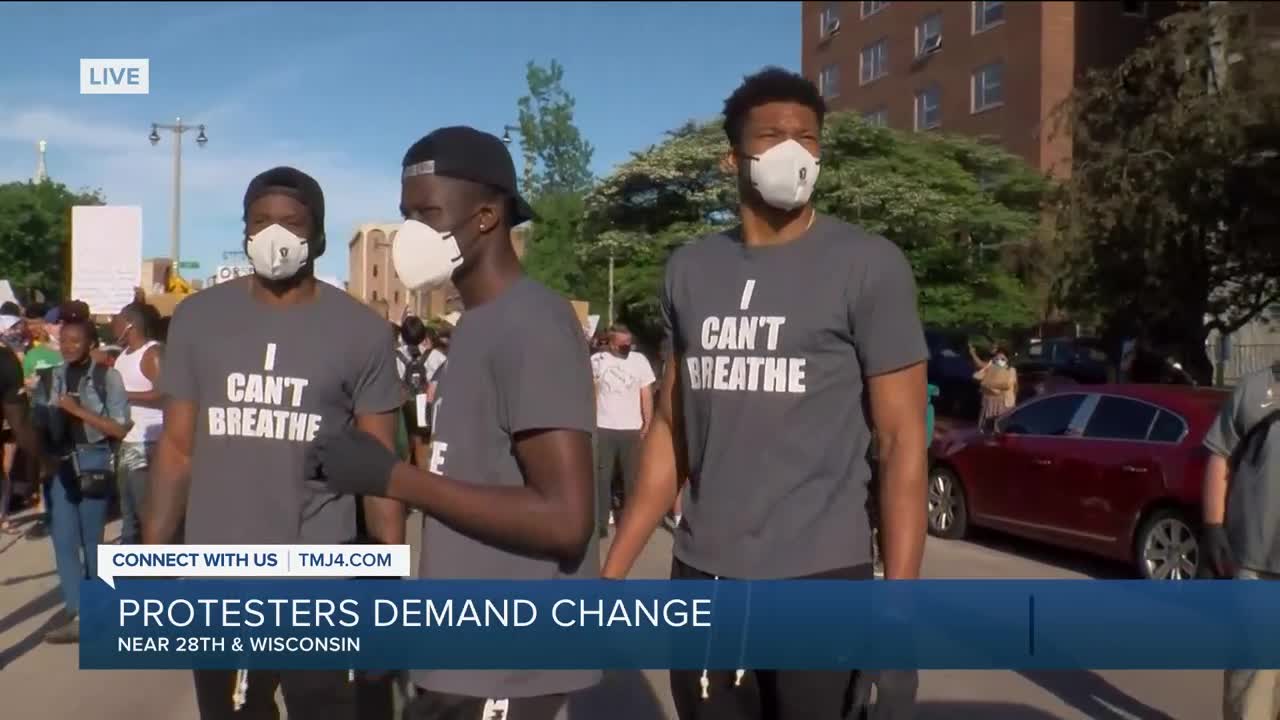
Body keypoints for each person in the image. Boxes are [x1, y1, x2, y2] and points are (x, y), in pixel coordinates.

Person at [600, 67, 929, 720]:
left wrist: (898, 613)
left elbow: (901, 441)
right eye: (773, 136)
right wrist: (611, 574)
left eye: (808, 138)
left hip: (822, 584)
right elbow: (672, 428)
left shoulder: (869, 265)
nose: (792, 151)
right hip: (705, 579)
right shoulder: (689, 269)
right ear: (733, 158)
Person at [309, 126, 599, 720]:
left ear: (488, 216)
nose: (409, 232)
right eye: (404, 214)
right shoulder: (477, 323)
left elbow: (567, 520)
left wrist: (394, 479)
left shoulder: (532, 324)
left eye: (428, 212)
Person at [143, 166, 405, 719]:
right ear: (243, 231)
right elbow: (177, 449)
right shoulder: (197, 318)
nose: (274, 235)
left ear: (319, 236)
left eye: (291, 222)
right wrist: (153, 553)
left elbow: (380, 470)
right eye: (260, 222)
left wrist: (390, 578)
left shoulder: (362, 331)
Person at [31, 313, 131, 643]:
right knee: (63, 540)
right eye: (64, 341)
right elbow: (39, 424)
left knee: (92, 543)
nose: (69, 347)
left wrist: (78, 412)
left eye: (76, 341)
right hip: (61, 463)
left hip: (94, 459)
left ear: (91, 344)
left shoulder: (107, 377)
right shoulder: (51, 377)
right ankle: (79, 611)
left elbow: (119, 427)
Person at [1202, 365, 1280, 720]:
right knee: (1251, 679)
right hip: (1257, 562)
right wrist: (1213, 526)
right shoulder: (1255, 389)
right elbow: (1219, 456)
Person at [591, 323, 656, 535]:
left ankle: (629, 524)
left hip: (632, 430)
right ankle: (600, 523)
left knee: (632, 480)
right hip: (604, 428)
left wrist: (648, 422)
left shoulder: (640, 361)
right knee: (602, 478)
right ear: (610, 343)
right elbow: (592, 392)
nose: (626, 348)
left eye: (629, 344)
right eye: (621, 345)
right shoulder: (597, 361)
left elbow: (645, 394)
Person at [109, 302, 164, 544]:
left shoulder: (153, 353)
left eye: (117, 319)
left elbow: (166, 394)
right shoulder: (123, 355)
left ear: (129, 324)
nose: (113, 324)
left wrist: (124, 394)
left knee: (147, 515)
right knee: (129, 514)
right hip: (127, 442)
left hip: (149, 444)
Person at [969, 343, 1016, 431]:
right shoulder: (990, 366)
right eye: (997, 358)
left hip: (1003, 403)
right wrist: (973, 353)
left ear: (1007, 359)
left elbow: (1007, 385)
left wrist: (987, 384)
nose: (999, 360)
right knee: (986, 426)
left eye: (1002, 359)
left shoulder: (1011, 370)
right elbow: (980, 365)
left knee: (1000, 425)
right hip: (989, 402)